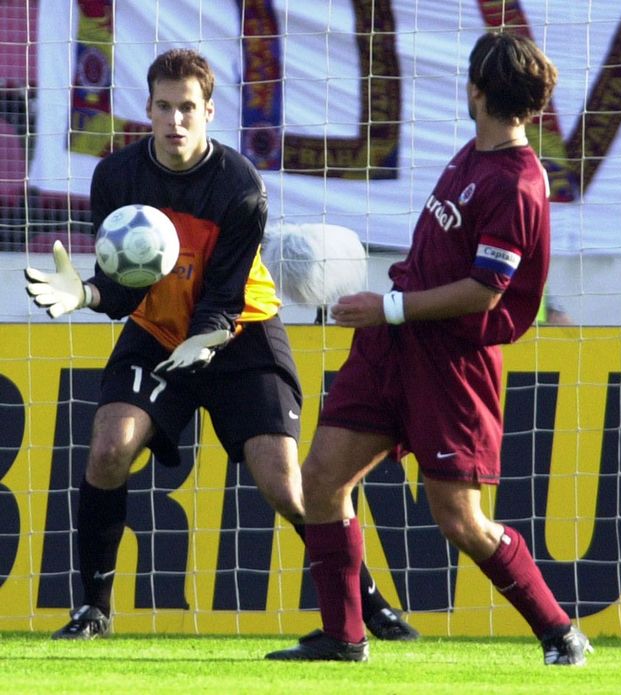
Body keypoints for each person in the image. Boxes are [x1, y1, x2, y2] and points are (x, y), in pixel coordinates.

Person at [24, 48, 417, 642]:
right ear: (149, 110)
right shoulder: (117, 179)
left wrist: (207, 339)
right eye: (164, 107)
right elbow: (123, 291)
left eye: (188, 108)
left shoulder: (239, 185)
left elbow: (226, 298)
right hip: (159, 331)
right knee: (108, 448)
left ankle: (369, 604)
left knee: (285, 485)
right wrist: (86, 295)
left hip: (241, 334)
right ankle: (93, 610)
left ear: (209, 111)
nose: (175, 121)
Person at [266, 32, 593, 665]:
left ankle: (559, 632)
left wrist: (385, 305)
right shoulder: (472, 155)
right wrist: (389, 316)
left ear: (475, 89)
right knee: (322, 479)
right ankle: (344, 637)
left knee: (460, 518)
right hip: (392, 348)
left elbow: (484, 292)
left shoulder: (518, 184)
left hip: (451, 367)